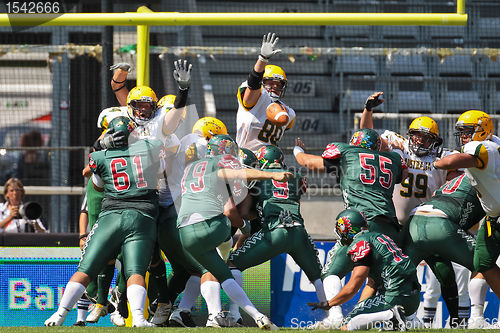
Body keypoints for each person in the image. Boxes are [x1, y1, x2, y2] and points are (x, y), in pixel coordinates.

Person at [359, 92, 469, 325]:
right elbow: (366, 136)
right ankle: (372, 317)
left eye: (425, 138)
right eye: (416, 136)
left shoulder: (443, 158)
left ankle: (458, 321)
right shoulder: (398, 146)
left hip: (423, 227)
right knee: (385, 276)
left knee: (445, 272)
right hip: (394, 225)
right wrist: (368, 109)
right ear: (409, 136)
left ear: (435, 141)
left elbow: (457, 181)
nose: (419, 141)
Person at [45, 116, 164, 327]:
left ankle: (59, 315)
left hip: (111, 216)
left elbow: (98, 186)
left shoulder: (99, 157)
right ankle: (138, 318)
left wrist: (102, 148)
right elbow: (161, 169)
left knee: (86, 268)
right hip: (142, 216)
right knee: (135, 270)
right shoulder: (151, 148)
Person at [294, 128, 407, 326]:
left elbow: (307, 162)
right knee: (375, 280)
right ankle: (356, 320)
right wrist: (395, 151)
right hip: (389, 226)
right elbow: (403, 174)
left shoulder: (347, 152)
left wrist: (297, 150)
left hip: (362, 223)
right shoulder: (393, 159)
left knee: (332, 272)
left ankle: (335, 317)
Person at [177, 134, 291, 330]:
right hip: (213, 225)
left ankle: (253, 317)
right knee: (226, 247)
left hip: (184, 230)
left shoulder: (190, 168)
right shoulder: (220, 166)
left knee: (219, 273)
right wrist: (272, 175)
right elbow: (230, 208)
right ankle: (221, 313)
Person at [228, 145, 327, 316]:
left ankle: (234, 314)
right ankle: (334, 317)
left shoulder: (258, 179)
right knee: (318, 277)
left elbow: (244, 212)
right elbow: (296, 203)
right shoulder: (296, 177)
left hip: (274, 231)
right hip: (298, 230)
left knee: (231, 265)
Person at [308, 209, 420, 331]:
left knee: (346, 327)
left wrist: (330, 304)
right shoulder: (378, 236)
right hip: (413, 297)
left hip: (394, 296)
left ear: (347, 230)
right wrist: (358, 310)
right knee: (355, 317)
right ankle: (403, 321)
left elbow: (357, 280)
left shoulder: (360, 243)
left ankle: (391, 316)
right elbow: (372, 283)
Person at [405, 174, 490, 328]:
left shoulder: (460, 179)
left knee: (405, 273)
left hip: (415, 219)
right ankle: (477, 318)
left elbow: (435, 194)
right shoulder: (489, 175)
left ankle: (407, 318)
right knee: (483, 264)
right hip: (441, 223)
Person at [433, 110, 500, 302]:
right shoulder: (494, 142)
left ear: (482, 130)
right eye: (461, 131)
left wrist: (436, 163)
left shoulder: (483, 147)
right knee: (482, 262)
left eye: (468, 131)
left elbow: (454, 161)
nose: (463, 136)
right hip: (493, 217)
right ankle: (477, 317)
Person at [236, 32, 296, 152]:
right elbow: (253, 84)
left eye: (279, 84)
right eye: (270, 83)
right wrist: (263, 59)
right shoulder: (259, 97)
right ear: (262, 82)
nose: (275, 86)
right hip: (244, 159)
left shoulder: (289, 112)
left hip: (269, 161)